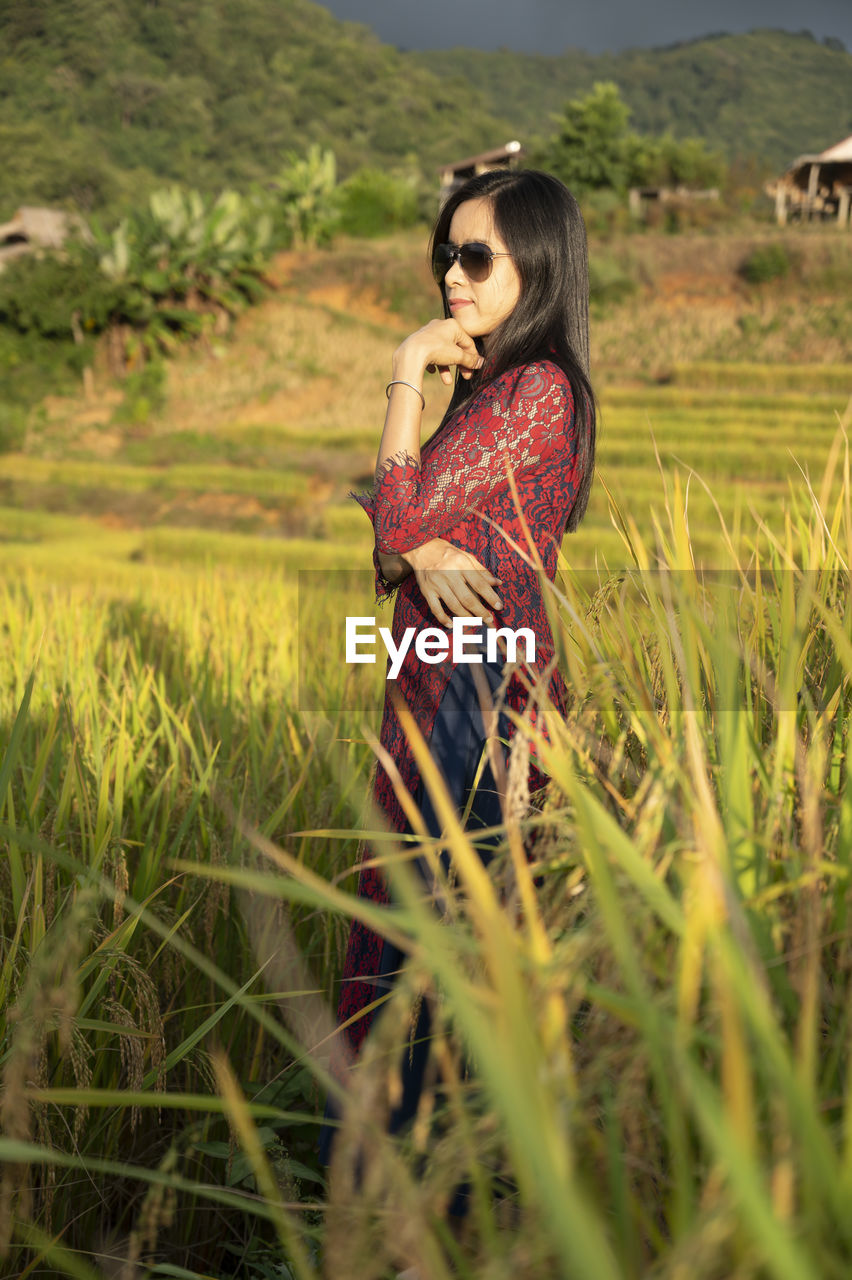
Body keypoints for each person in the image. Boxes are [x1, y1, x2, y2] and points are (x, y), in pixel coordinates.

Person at [318, 168, 597, 1205]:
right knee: (417, 948)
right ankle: (404, 1213)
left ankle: (407, 1214)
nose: (452, 275)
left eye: (477, 256)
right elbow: (393, 554)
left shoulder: (538, 392)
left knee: (433, 961)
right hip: (435, 690)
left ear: (540, 266)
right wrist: (418, 546)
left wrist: (402, 375)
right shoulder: (490, 393)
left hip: (480, 705)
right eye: (445, 252)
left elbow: (390, 518)